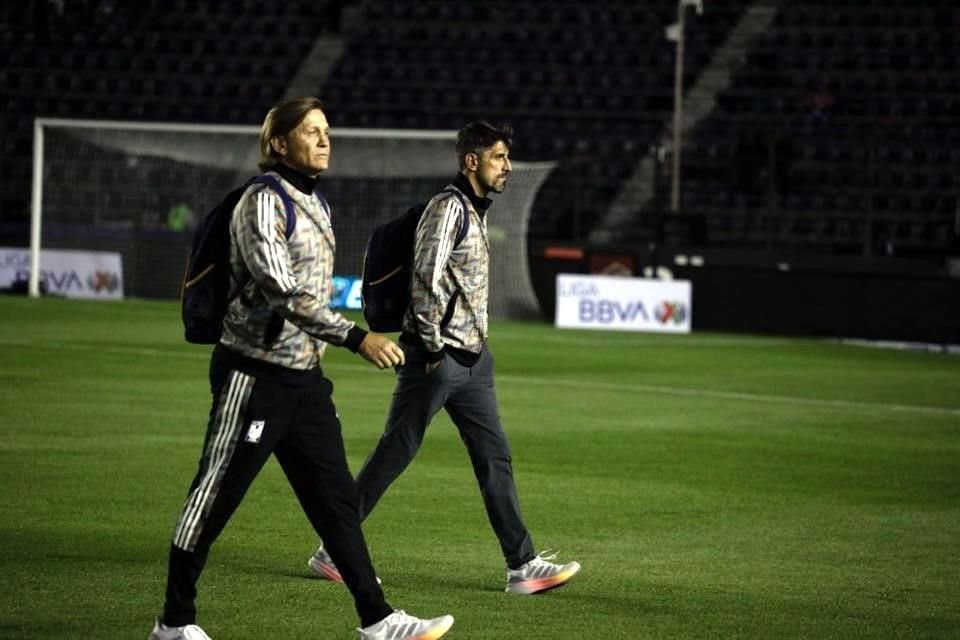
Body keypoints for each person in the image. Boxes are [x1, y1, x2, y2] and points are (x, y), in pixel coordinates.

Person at [148, 97, 454, 640]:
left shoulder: (319, 204)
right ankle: (173, 623)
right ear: (278, 144)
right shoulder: (260, 203)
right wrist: (357, 337)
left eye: (327, 131)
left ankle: (378, 619)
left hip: (305, 383)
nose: (323, 139)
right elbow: (282, 295)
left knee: (336, 502)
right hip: (255, 376)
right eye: (310, 131)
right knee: (214, 496)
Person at [307, 121, 581, 595]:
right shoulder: (447, 208)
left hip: (474, 362)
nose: (508, 167)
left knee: (494, 458)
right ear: (471, 160)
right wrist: (432, 348)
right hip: (438, 359)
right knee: (395, 452)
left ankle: (521, 565)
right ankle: (334, 549)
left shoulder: (475, 211)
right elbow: (424, 280)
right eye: (499, 157)